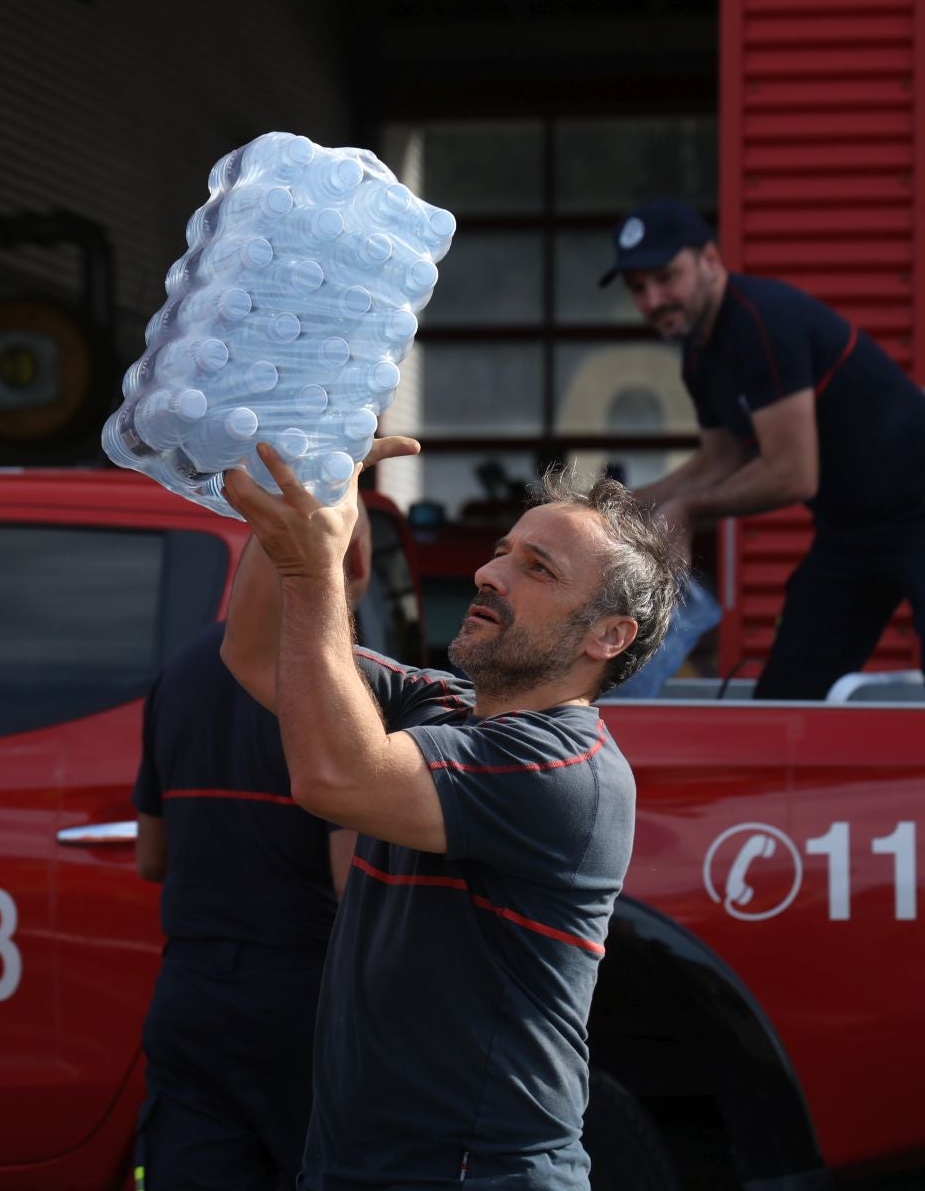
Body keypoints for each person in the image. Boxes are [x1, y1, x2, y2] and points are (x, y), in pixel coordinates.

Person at [219, 439, 684, 1190]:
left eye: (537, 568)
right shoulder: (439, 702)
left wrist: (313, 566)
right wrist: (310, 478)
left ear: (608, 635)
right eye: (503, 551)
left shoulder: (564, 771)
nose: (489, 572)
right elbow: (255, 649)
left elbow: (336, 777)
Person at [605, 197, 925, 702]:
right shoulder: (700, 355)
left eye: (666, 277)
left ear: (710, 259)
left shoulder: (764, 322)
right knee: (788, 695)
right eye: (638, 288)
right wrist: (623, 506)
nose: (652, 300)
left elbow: (793, 474)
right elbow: (721, 460)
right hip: (851, 532)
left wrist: (687, 509)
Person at [130, 517, 372, 1191]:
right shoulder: (342, 693)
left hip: (191, 994)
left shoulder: (179, 673)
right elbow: (353, 884)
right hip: (303, 997)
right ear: (344, 566)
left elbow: (153, 857)